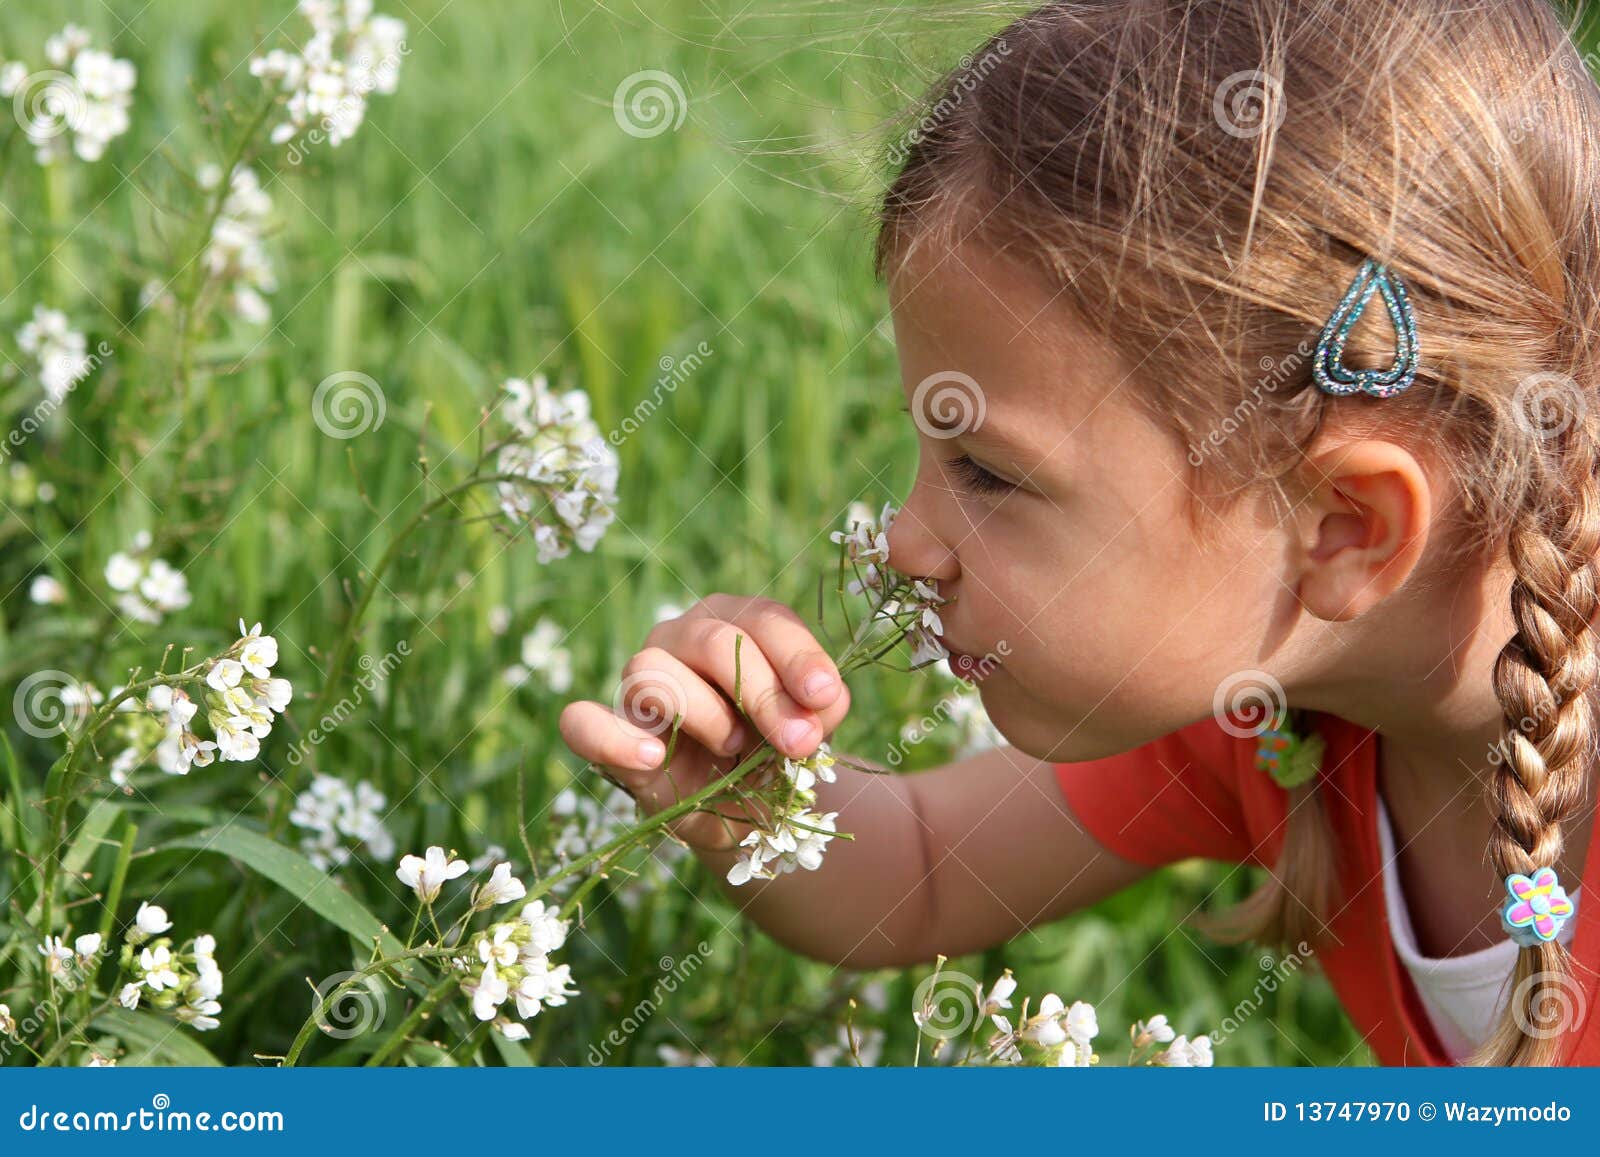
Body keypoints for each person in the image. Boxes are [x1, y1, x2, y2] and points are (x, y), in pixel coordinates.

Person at [561, 0, 1600, 1065]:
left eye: (991, 473)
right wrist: (756, 796)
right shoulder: (1273, 720)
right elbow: (921, 871)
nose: (904, 542)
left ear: (1343, 527)